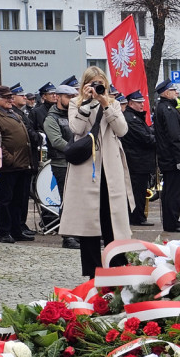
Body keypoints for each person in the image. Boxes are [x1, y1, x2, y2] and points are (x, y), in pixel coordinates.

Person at [62, 66, 134, 277]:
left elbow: (122, 130)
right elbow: (76, 129)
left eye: (100, 83)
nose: (96, 87)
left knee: (114, 219)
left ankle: (118, 267)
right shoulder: (76, 104)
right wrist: (86, 104)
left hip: (110, 167)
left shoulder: (112, 103)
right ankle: (93, 272)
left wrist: (105, 104)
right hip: (87, 169)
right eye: (92, 83)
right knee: (89, 223)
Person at [0, 85, 35, 244]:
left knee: (18, 200)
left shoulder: (12, 112)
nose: (10, 100)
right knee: (6, 200)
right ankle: (5, 232)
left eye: (11, 97)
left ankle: (16, 229)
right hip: (10, 165)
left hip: (22, 163)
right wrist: (9, 159)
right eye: (6, 98)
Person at [42, 84, 83, 249]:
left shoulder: (75, 115)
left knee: (80, 201)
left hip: (77, 162)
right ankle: (68, 236)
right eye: (69, 97)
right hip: (62, 163)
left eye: (74, 97)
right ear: (57, 97)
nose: (73, 100)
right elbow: (57, 141)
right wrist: (79, 150)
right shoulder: (51, 119)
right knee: (67, 200)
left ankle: (80, 234)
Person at [154, 80, 180, 232]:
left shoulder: (163, 107)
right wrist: (179, 158)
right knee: (173, 192)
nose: (177, 92)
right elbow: (174, 135)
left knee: (169, 190)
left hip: (167, 156)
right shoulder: (168, 109)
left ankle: (170, 222)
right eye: (174, 90)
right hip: (171, 157)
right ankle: (173, 222)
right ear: (166, 93)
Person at [121, 91, 157, 225]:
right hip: (136, 161)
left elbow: (147, 133)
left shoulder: (135, 117)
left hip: (140, 161)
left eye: (142, 102)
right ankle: (137, 217)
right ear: (130, 103)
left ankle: (138, 216)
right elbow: (146, 139)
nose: (142, 105)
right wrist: (160, 139)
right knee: (137, 192)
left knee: (140, 191)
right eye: (138, 102)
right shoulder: (131, 118)